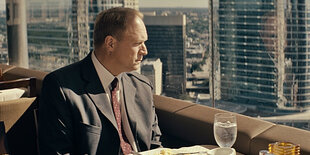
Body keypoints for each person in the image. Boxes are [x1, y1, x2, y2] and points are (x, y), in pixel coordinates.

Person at [38, 7, 162, 155]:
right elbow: (58, 152)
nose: (145, 50)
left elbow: (155, 146)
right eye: (137, 43)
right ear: (110, 43)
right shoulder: (61, 88)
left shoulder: (142, 86)